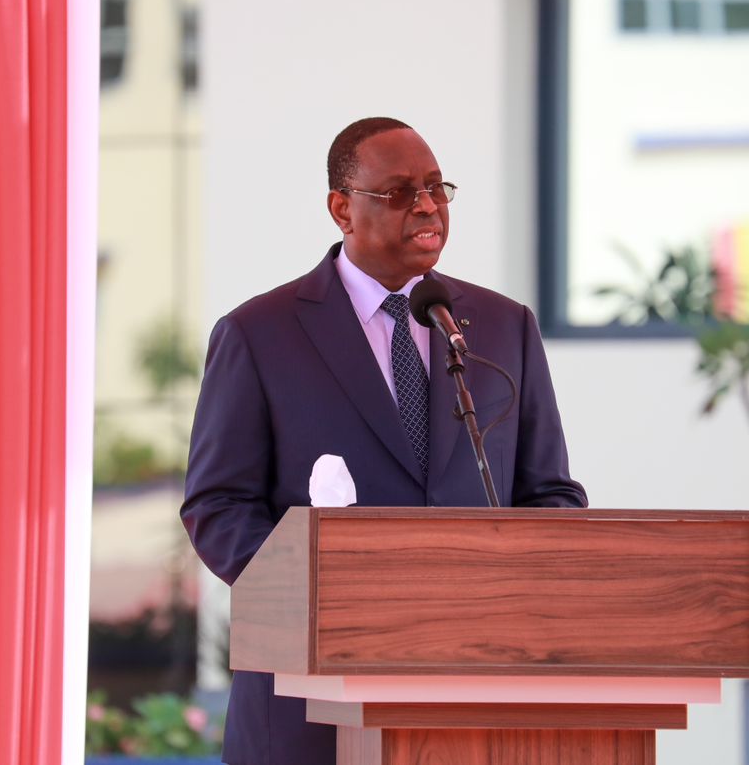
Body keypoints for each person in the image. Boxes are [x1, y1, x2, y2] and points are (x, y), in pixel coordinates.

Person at [181, 117, 587, 765]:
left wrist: (523, 578)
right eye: (399, 192)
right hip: (310, 705)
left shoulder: (502, 327)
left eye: (436, 188)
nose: (427, 206)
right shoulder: (261, 334)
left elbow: (550, 491)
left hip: (477, 696)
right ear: (342, 208)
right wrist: (321, 591)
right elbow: (218, 506)